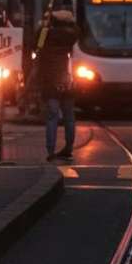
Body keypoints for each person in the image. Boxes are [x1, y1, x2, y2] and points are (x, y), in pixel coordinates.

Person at [35, 9, 79, 161]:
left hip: (50, 80)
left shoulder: (45, 33)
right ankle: (68, 148)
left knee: (52, 116)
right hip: (69, 80)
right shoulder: (74, 35)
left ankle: (50, 150)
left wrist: (44, 25)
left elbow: (37, 47)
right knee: (69, 117)